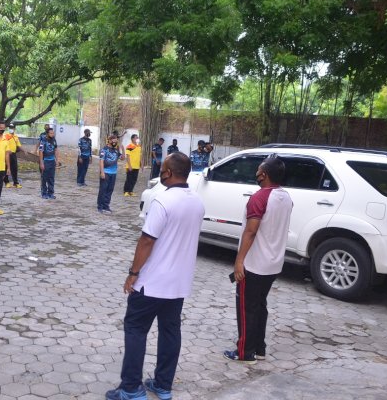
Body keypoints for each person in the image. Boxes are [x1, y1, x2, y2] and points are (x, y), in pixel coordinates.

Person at [106, 152, 205, 400]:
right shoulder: (197, 202)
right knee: (170, 332)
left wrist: (133, 273)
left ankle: (131, 388)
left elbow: (148, 239)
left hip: (151, 283)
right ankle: (163, 385)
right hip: (178, 285)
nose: (160, 170)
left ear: (169, 173)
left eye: (163, 167)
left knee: (135, 329)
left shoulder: (162, 201)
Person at [225, 154, 293, 364]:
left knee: (246, 308)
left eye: (258, 170)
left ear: (263, 175)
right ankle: (260, 348)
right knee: (260, 305)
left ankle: (245, 352)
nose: (256, 173)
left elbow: (251, 231)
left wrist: (239, 261)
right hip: (273, 264)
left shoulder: (259, 198)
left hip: (254, 265)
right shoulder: (286, 197)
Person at [97, 133, 122, 213]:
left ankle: (106, 205)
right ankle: (100, 206)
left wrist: (123, 149)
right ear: (110, 140)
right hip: (106, 172)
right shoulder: (104, 149)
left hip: (113, 173)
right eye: (114, 141)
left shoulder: (116, 150)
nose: (115, 142)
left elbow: (122, 158)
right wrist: (102, 172)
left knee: (110, 190)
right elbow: (101, 161)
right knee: (103, 189)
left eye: (116, 141)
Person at [39, 127, 60, 199]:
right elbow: (41, 152)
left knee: (51, 178)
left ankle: (50, 193)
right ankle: (44, 193)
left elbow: (56, 150)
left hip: (52, 162)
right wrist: (41, 163)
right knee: (44, 178)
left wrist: (57, 160)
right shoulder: (43, 141)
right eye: (51, 133)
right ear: (47, 134)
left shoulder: (54, 140)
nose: (52, 134)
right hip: (45, 161)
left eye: (53, 133)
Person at [3, 123, 22, 188]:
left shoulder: (16, 137)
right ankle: (6, 182)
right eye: (10, 128)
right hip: (7, 154)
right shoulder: (5, 136)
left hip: (13, 154)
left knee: (14, 168)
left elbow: (19, 145)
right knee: (6, 168)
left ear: (14, 128)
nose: (11, 129)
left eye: (12, 128)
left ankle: (15, 182)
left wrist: (24, 151)